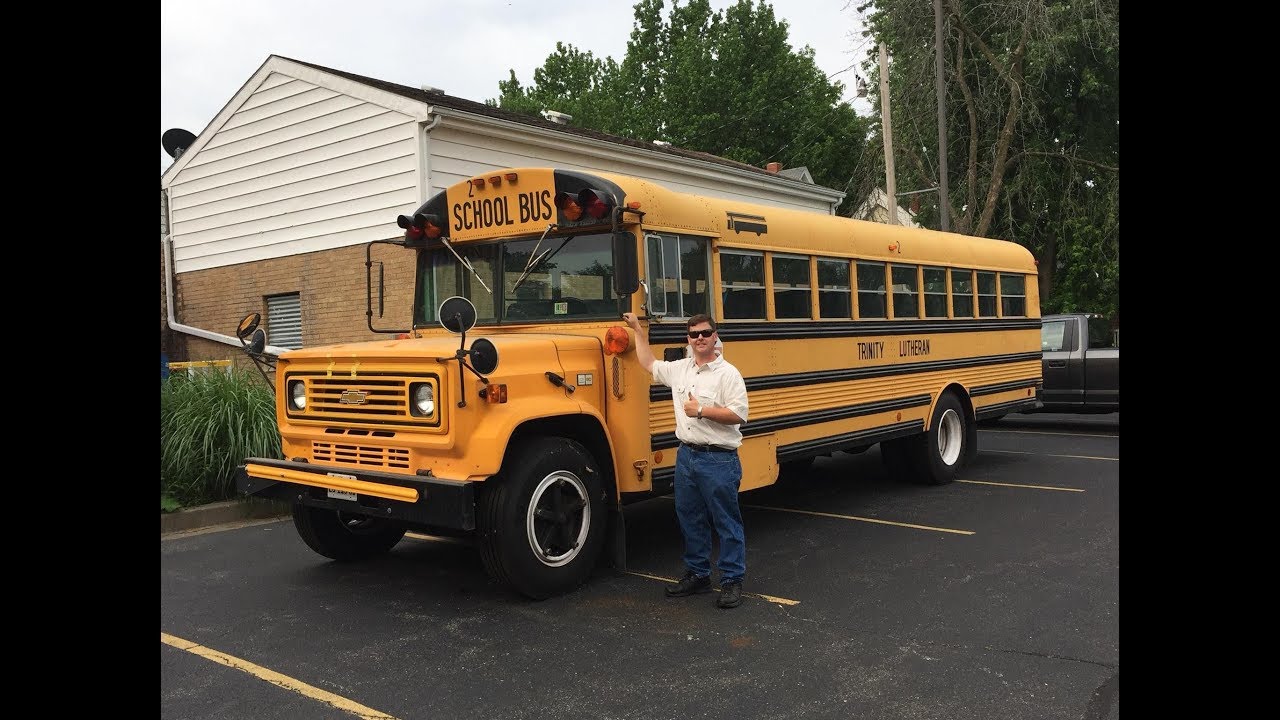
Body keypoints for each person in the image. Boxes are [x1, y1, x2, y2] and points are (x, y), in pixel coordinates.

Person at [622, 312, 749, 609]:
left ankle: (732, 579)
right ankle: (699, 575)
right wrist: (639, 330)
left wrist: (702, 411)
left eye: (705, 333)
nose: (700, 338)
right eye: (694, 334)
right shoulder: (681, 369)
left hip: (718, 459)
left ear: (715, 336)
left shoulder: (728, 374)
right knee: (690, 518)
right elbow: (648, 364)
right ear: (688, 339)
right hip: (687, 456)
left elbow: (739, 414)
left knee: (726, 521)